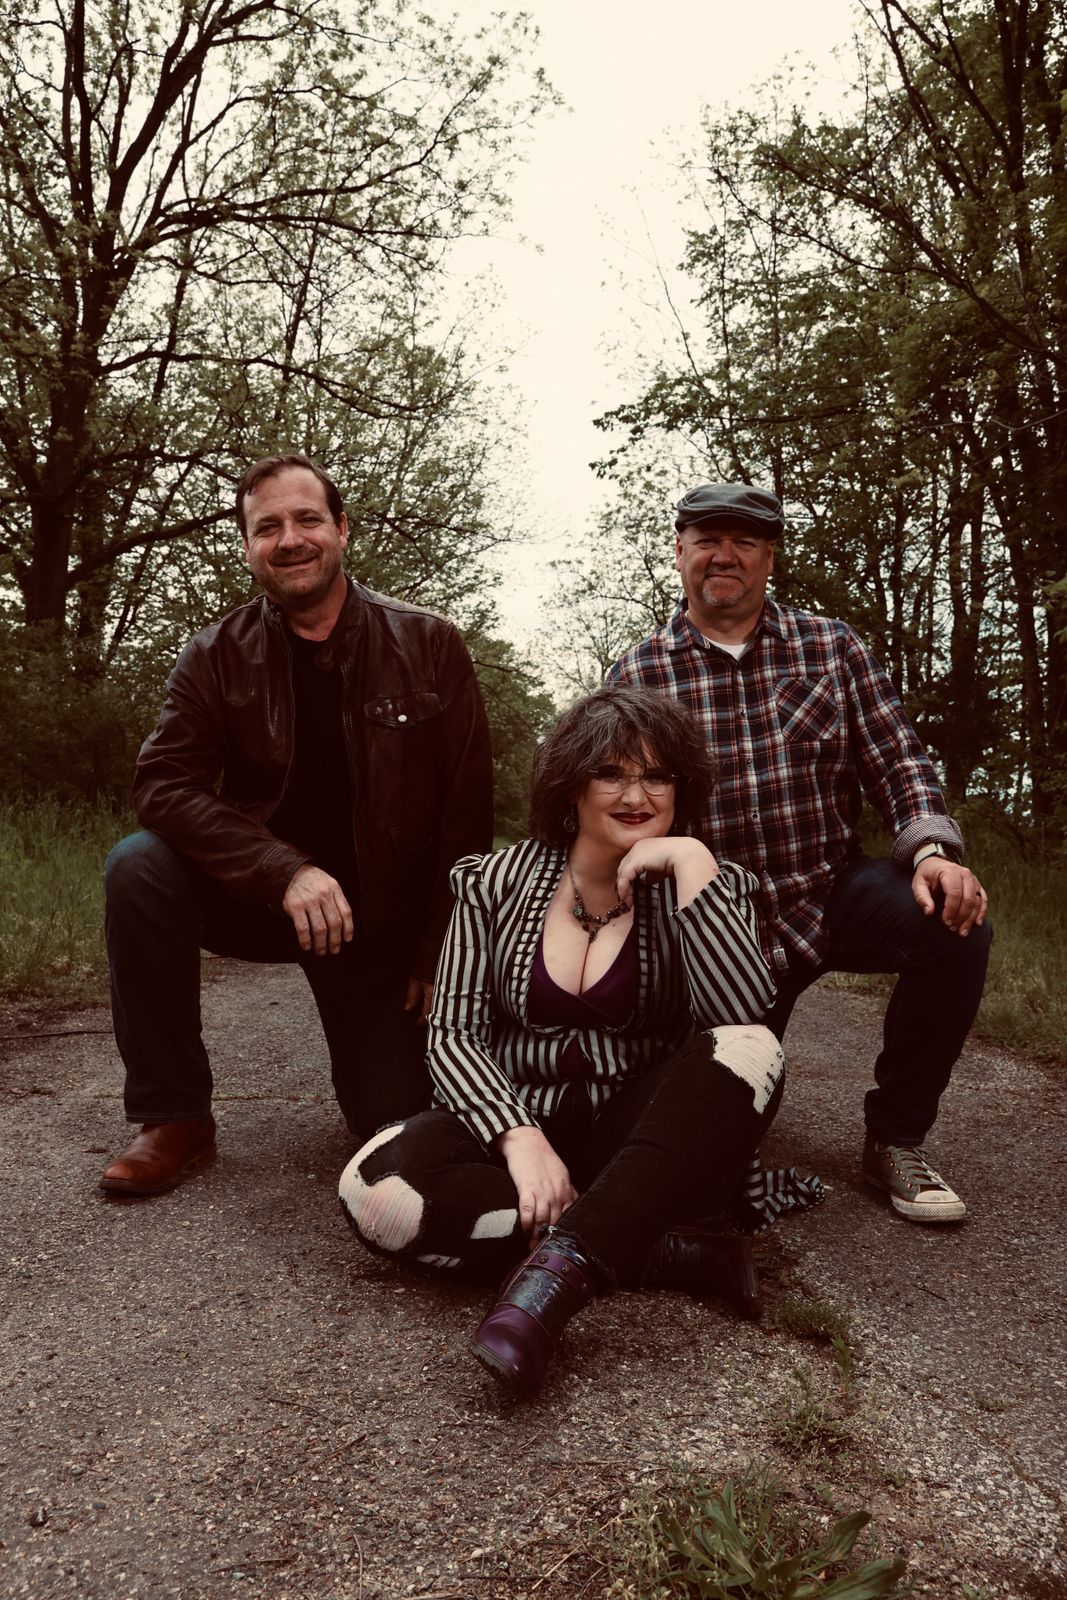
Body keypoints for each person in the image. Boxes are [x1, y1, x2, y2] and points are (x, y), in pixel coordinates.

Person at [339, 686, 787, 1399]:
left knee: (751, 1050)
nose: (635, 795)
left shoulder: (707, 884)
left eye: (658, 776)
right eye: (610, 773)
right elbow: (452, 1031)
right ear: (571, 784)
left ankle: (553, 1283)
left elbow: (737, 1018)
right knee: (373, 1190)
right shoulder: (493, 882)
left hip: (641, 1145)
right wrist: (519, 1138)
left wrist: (692, 863)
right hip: (516, 1130)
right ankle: (668, 1251)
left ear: (682, 790)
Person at [99, 452, 493, 1196]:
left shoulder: (428, 642)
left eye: (307, 519)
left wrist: (437, 948)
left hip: (377, 921)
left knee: (391, 1126)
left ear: (342, 529)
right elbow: (163, 783)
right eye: (267, 527)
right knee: (138, 864)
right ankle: (173, 1117)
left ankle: (385, 1082)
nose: (289, 540)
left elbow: (465, 813)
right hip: (262, 898)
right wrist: (283, 869)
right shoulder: (214, 655)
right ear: (249, 546)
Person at [608, 482, 992, 1223]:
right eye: (707, 540)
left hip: (829, 887)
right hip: (717, 921)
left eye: (744, 541)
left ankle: (895, 1139)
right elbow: (615, 812)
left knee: (955, 924)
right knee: (715, 1136)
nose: (724, 555)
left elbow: (898, 761)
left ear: (769, 557)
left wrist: (933, 852)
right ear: (680, 552)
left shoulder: (831, 647)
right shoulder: (639, 675)